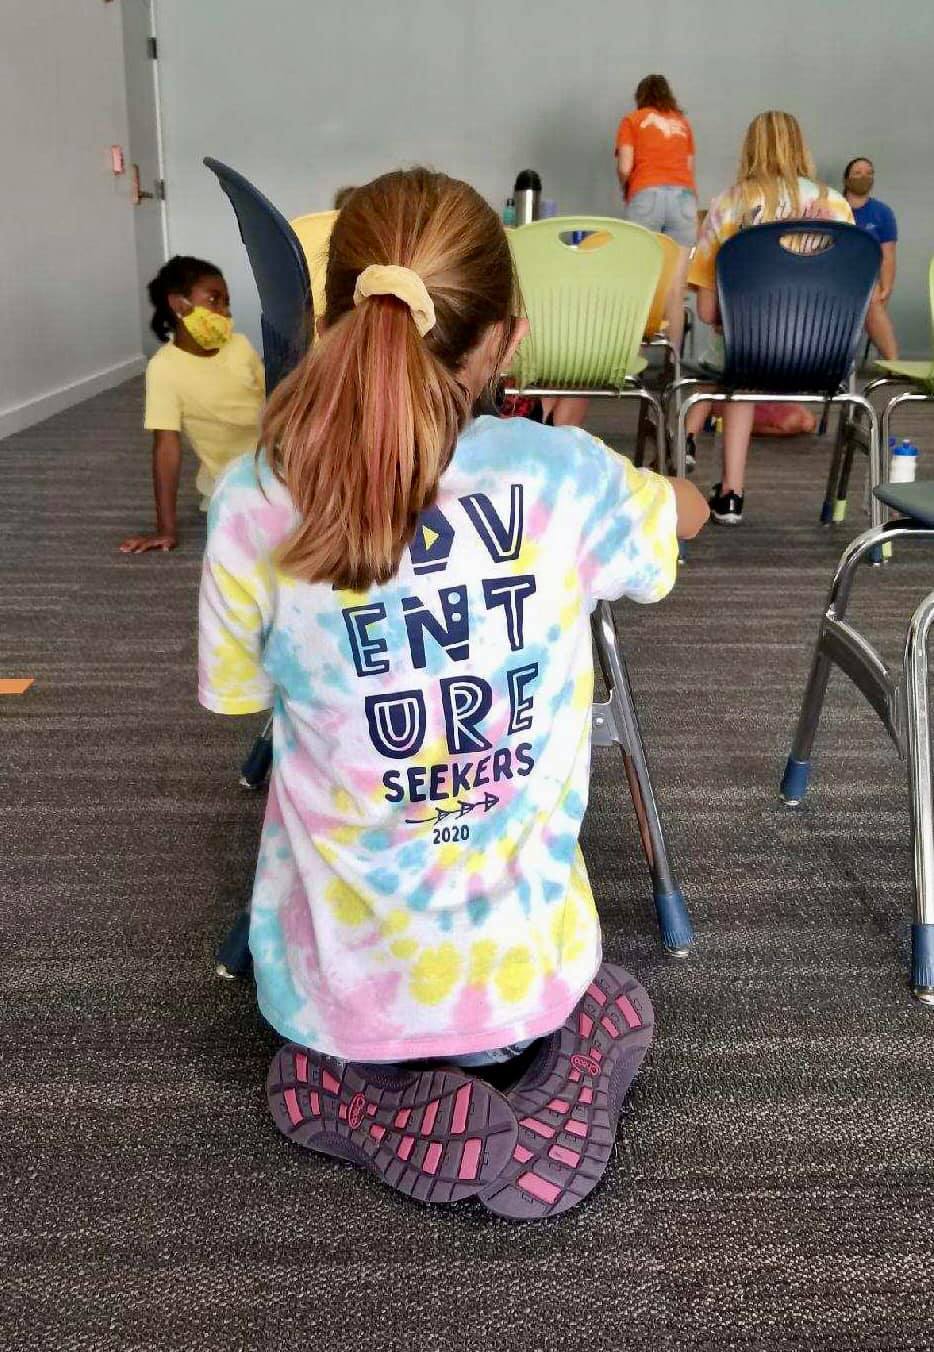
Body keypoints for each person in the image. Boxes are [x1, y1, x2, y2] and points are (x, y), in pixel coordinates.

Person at [198, 167, 708, 1218]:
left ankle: (357, 1088)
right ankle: (552, 1052)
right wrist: (673, 491)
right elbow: (680, 527)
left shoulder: (254, 497)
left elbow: (240, 693)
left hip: (340, 996)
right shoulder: (564, 476)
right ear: (507, 341)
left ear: (331, 323)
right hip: (527, 973)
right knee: (565, 983)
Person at [685, 111, 853, 525]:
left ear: (749, 148)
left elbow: (706, 311)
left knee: (738, 366)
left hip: (749, 355)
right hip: (823, 356)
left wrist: (738, 321)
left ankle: (730, 494)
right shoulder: (837, 205)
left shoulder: (729, 205)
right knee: (742, 363)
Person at [120, 257, 264, 554]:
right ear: (179, 304)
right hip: (235, 479)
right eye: (214, 300)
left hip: (276, 459)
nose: (224, 311)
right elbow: (166, 447)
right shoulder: (164, 368)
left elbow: (277, 402)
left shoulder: (241, 346)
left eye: (226, 302)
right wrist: (166, 529)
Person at [615, 74, 697, 351]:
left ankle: (632, 359)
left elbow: (625, 167)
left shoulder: (632, 120)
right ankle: (673, 364)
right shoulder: (682, 124)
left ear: (641, 96)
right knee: (676, 287)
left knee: (639, 281)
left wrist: (627, 188)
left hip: (646, 195)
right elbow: (688, 167)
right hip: (684, 198)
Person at [843, 157, 898, 361]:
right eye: (857, 173)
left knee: (872, 297)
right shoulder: (832, 207)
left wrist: (886, 288)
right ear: (846, 179)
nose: (864, 177)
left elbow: (888, 255)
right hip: (833, 275)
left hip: (865, 279)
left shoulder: (882, 213)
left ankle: (895, 366)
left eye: (869, 173)